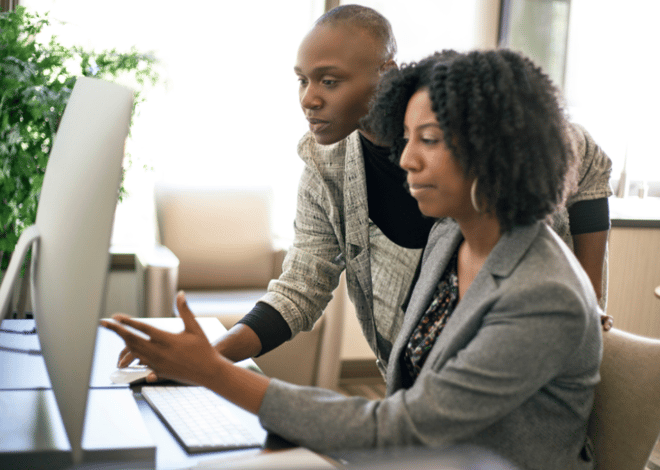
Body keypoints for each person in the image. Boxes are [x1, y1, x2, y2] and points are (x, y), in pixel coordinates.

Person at [103, 49, 602, 470]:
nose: (406, 159)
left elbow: (407, 426)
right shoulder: (452, 238)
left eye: (427, 140)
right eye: (406, 139)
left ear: (495, 150)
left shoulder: (543, 293)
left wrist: (212, 371)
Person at [117, 5, 612, 377]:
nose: (309, 99)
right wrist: (209, 355)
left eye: (329, 81)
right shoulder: (324, 161)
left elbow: (587, 158)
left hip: (513, 370)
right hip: (414, 385)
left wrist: (589, 298)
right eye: (302, 81)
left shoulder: (465, 130)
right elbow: (301, 287)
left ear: (387, 73)